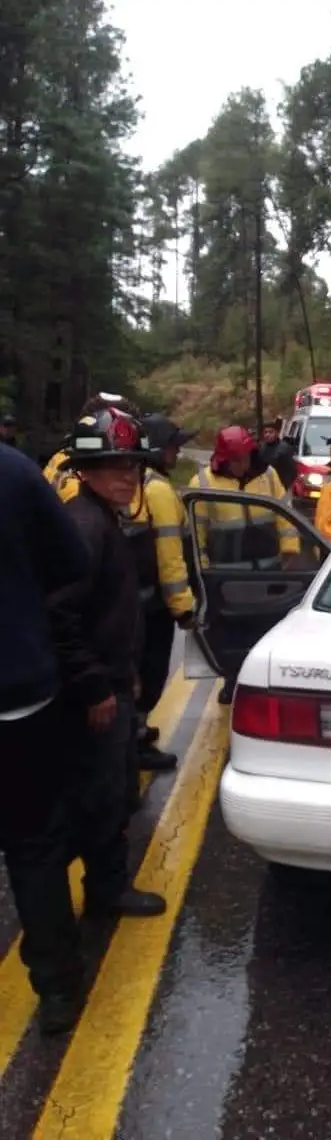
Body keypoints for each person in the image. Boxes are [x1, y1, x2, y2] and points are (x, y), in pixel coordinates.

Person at [49, 406, 167, 924]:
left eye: (134, 465)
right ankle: (98, 893)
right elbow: (60, 617)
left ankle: (105, 886)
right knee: (99, 798)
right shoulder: (84, 527)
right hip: (94, 696)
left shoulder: (102, 520)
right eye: (115, 465)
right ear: (85, 470)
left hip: (113, 682)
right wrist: (96, 686)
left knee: (116, 791)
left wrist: (126, 674)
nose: (127, 476)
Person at [0, 442, 91, 1036]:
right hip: (19, 693)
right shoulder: (13, 471)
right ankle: (57, 985)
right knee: (33, 846)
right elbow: (72, 561)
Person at [189, 424, 302, 704]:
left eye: (246, 457)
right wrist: (203, 569)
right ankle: (231, 681)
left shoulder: (267, 475)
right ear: (223, 458)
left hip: (267, 570)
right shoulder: (202, 483)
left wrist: (290, 548)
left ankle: (264, 683)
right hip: (226, 575)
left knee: (267, 629)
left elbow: (284, 512)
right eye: (236, 459)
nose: (242, 464)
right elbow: (196, 532)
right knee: (230, 634)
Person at [125, 414, 199, 774]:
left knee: (133, 672)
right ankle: (134, 744)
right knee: (150, 672)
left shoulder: (137, 484)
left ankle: (134, 732)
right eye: (173, 443)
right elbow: (171, 557)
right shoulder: (158, 490)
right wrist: (183, 607)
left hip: (131, 602)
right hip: (152, 606)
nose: (178, 449)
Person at [259, 417, 297, 489]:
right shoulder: (261, 447)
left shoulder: (285, 449)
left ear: (277, 432)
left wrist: (283, 486)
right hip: (264, 486)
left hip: (280, 487)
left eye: (271, 432)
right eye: (265, 432)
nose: (267, 435)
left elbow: (291, 472)